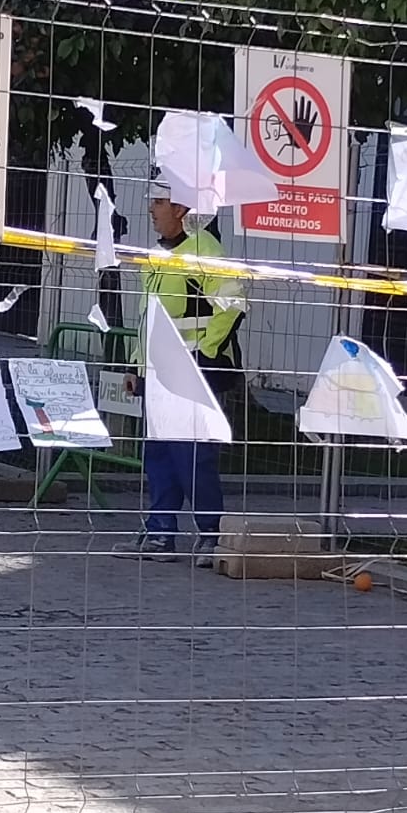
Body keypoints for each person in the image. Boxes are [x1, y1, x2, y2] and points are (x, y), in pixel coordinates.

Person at [114, 174, 245, 567]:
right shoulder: (154, 255)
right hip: (157, 372)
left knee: (193, 457)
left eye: (158, 203)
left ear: (181, 209)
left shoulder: (206, 250)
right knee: (158, 455)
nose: (151, 210)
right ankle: (160, 533)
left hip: (193, 371)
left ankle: (210, 536)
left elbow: (233, 304)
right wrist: (135, 366)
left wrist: (205, 354)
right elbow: (147, 316)